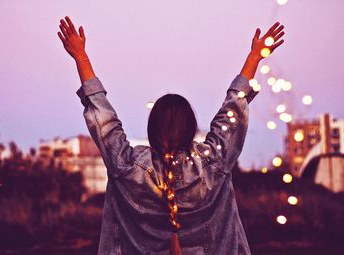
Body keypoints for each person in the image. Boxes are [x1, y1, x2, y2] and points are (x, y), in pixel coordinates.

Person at [58, 16, 284, 255]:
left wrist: (81, 57)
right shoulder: (214, 161)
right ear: (191, 129)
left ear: (152, 129)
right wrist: (254, 58)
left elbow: (101, 115)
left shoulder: (126, 165)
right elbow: (233, 109)